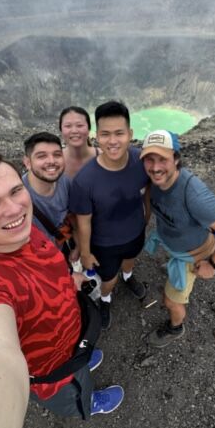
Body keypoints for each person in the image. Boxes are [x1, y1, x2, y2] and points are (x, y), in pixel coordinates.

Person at [0, 151, 122, 428]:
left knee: (80, 362)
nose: (14, 209)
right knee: (74, 393)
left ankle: (82, 361)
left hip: (71, 339)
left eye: (15, 191)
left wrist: (70, 279)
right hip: (55, 376)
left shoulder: (21, 233)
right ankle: (87, 403)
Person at [139, 130, 215, 346]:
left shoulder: (193, 194)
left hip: (193, 255)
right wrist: (144, 219)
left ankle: (175, 328)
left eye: (163, 159)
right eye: (149, 159)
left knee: (171, 301)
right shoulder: (154, 181)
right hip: (176, 245)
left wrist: (213, 266)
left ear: (176, 159)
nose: (155, 167)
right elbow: (150, 197)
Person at [70, 100, 150, 325]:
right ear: (96, 136)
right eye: (105, 134)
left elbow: (147, 193)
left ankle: (129, 276)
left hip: (136, 232)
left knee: (130, 259)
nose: (113, 141)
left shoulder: (141, 160)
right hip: (105, 244)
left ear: (130, 133)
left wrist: (146, 220)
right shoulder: (85, 181)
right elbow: (83, 221)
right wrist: (85, 253)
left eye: (119, 133)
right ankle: (105, 299)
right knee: (108, 278)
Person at [21, 131, 79, 266]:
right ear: (27, 162)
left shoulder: (65, 182)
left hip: (61, 247)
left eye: (57, 155)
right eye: (41, 156)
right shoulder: (17, 197)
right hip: (36, 261)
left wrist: (78, 247)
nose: (51, 161)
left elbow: (72, 217)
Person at [58, 105, 97, 182]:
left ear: (89, 128)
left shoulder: (104, 157)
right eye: (68, 126)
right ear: (61, 130)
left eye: (80, 125)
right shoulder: (54, 161)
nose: (74, 131)